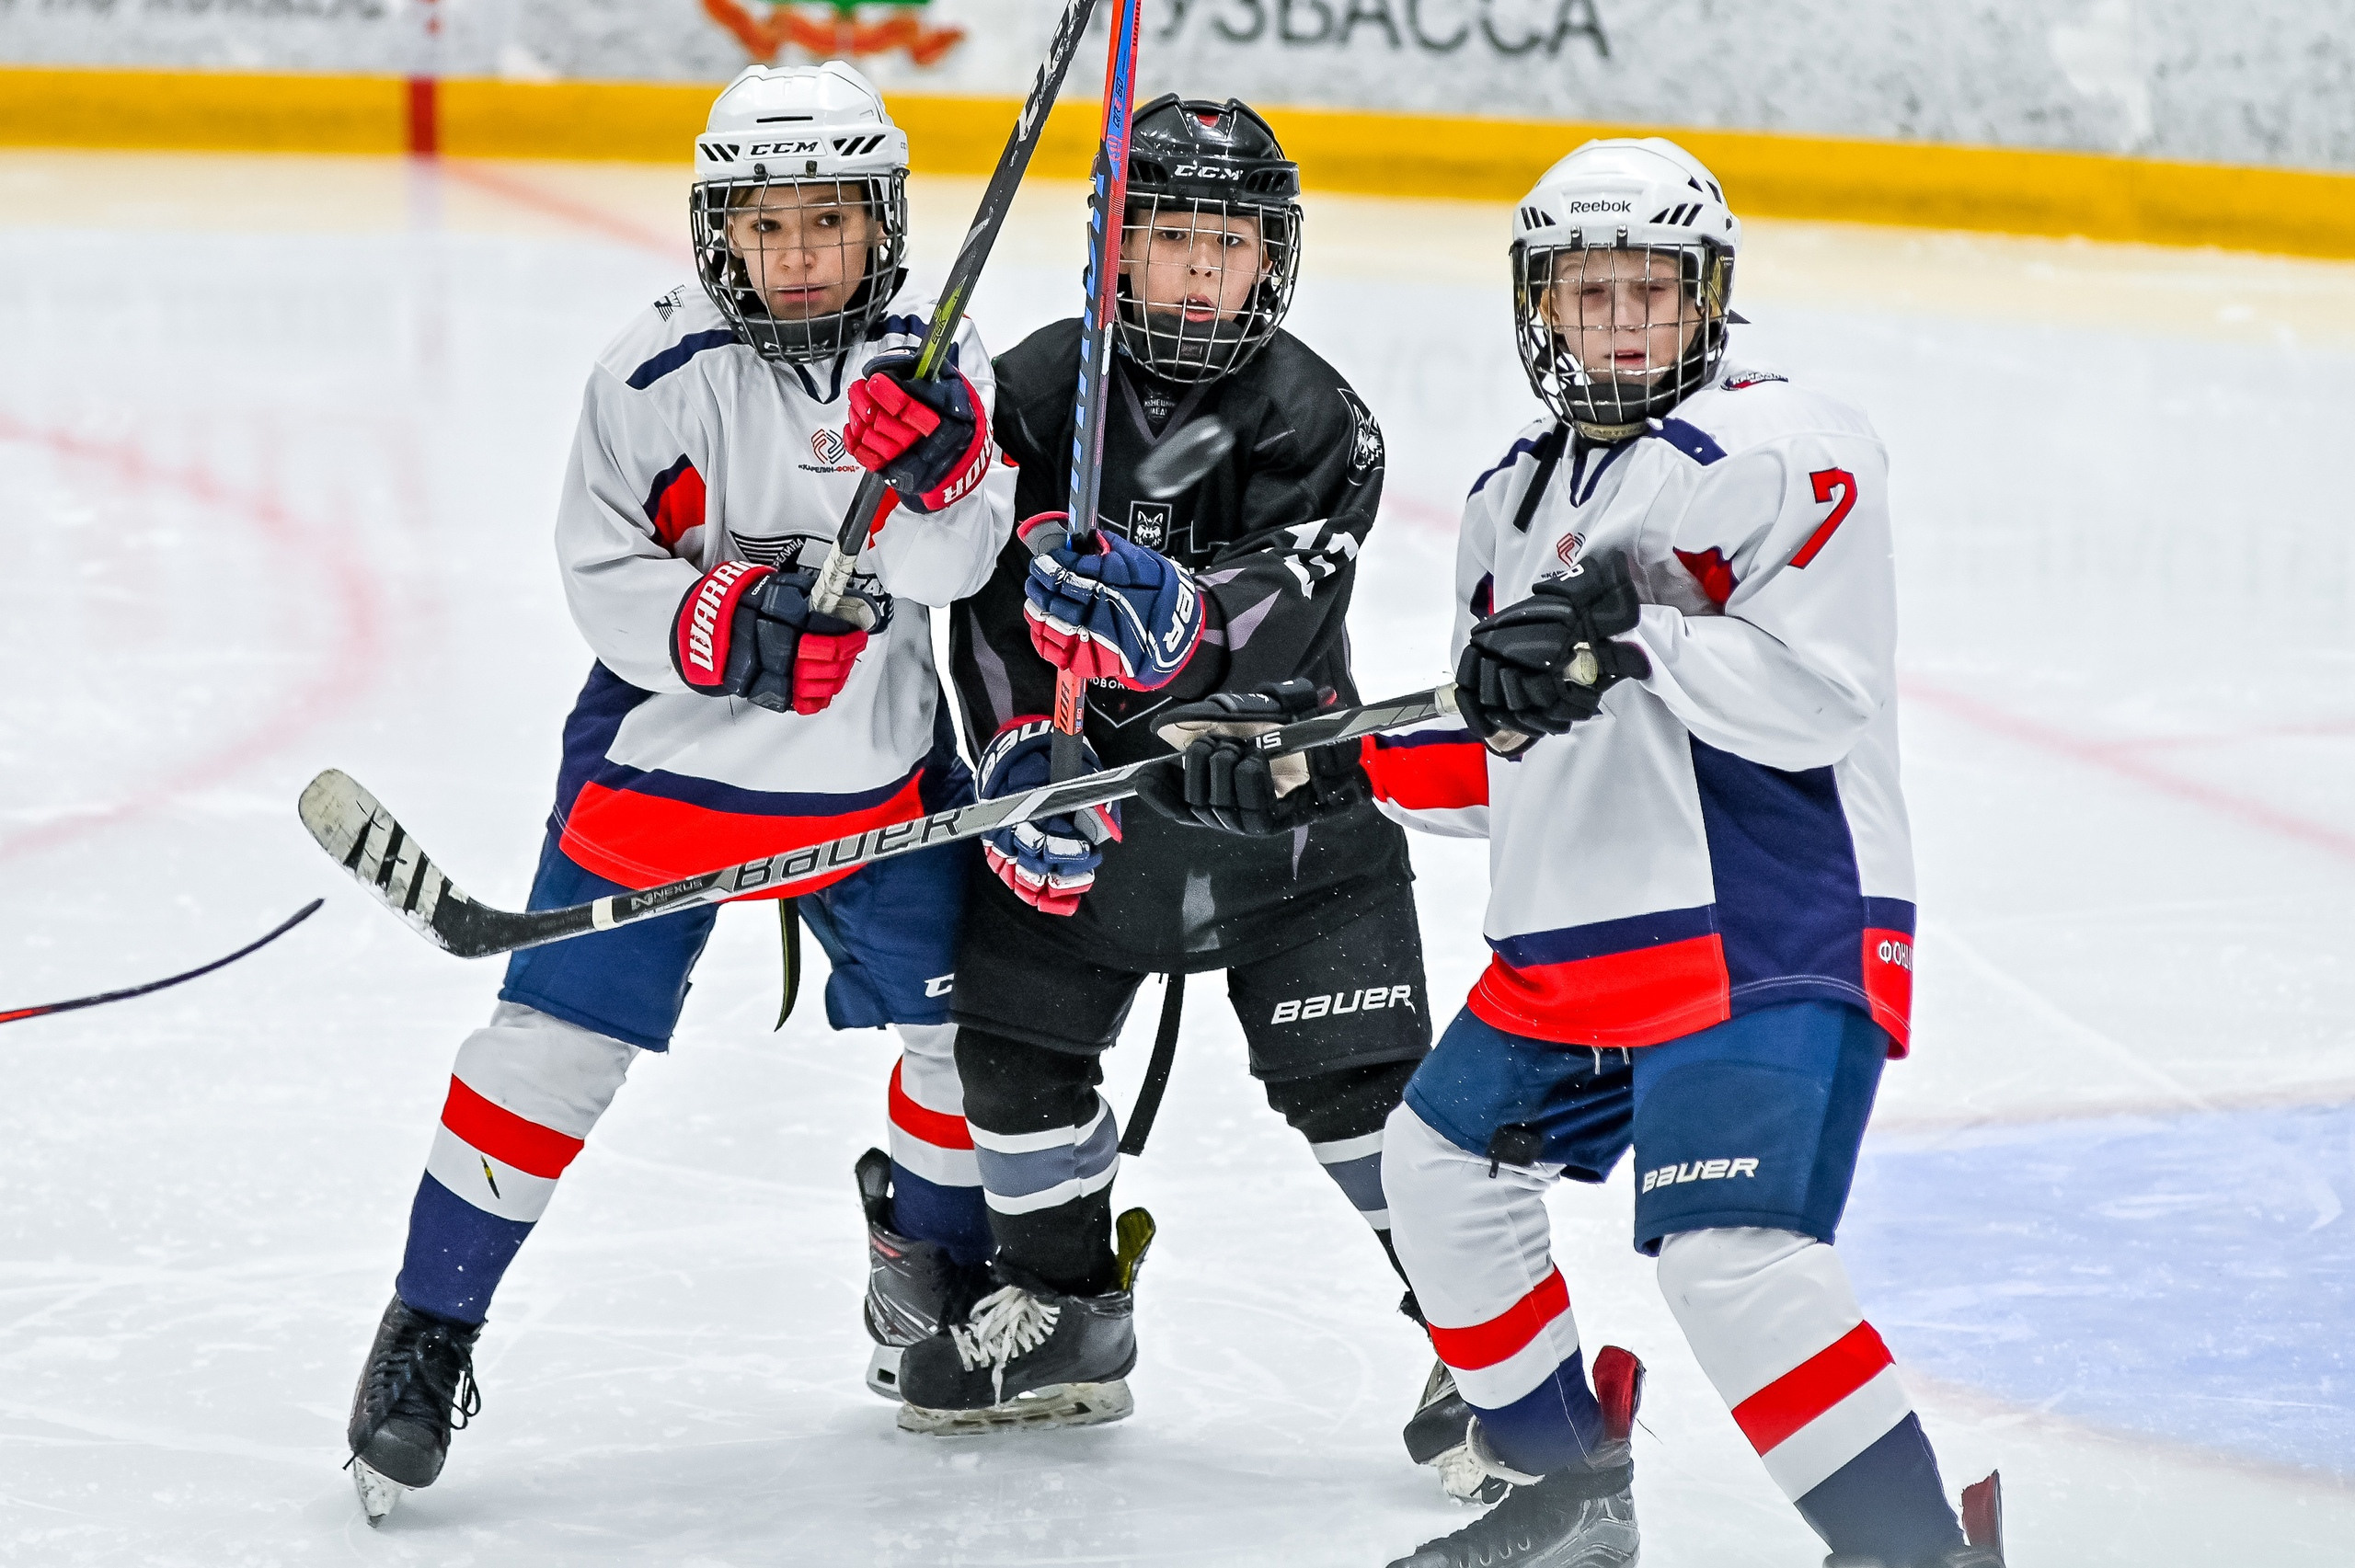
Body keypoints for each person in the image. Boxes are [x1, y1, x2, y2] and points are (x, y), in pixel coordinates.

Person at [1148, 138, 2007, 1567]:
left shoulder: (1787, 444)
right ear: (1539, 306)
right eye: (1587, 289)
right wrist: (1315, 754)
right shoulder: (1512, 502)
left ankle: (1917, 1552)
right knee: (1437, 1165)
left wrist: (1628, 639)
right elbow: (1510, 751)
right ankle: (1567, 1493)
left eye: (1652, 291)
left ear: (1707, 299)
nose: (1619, 319)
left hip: (1758, 926)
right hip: (1583, 943)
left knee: (1734, 1262)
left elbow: (1815, 697)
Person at [340, 61, 1015, 1523]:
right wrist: (733, 623)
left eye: (827, 220)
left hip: (880, 787)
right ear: (719, 232)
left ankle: (929, 1281)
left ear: (880, 222)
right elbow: (603, 581)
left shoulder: (933, 361)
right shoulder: (647, 374)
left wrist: (946, 470)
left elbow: (962, 568)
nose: (796, 254)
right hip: (672, 778)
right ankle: (426, 1331)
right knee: (545, 1056)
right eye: (765, 225)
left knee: (967, 1046)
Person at [879, 96, 1440, 1439]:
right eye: (1170, 233)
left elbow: (1286, 606)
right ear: (1111, 247)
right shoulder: (1036, 389)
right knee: (1009, 1058)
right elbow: (986, 602)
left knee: (1363, 1092)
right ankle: (1066, 1304)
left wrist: (1175, 623)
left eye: (1229, 242)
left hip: (1281, 823)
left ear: (1274, 256)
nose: (1200, 268)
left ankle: (1487, 1345)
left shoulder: (1320, 417)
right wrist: (1022, 744)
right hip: (1088, 813)